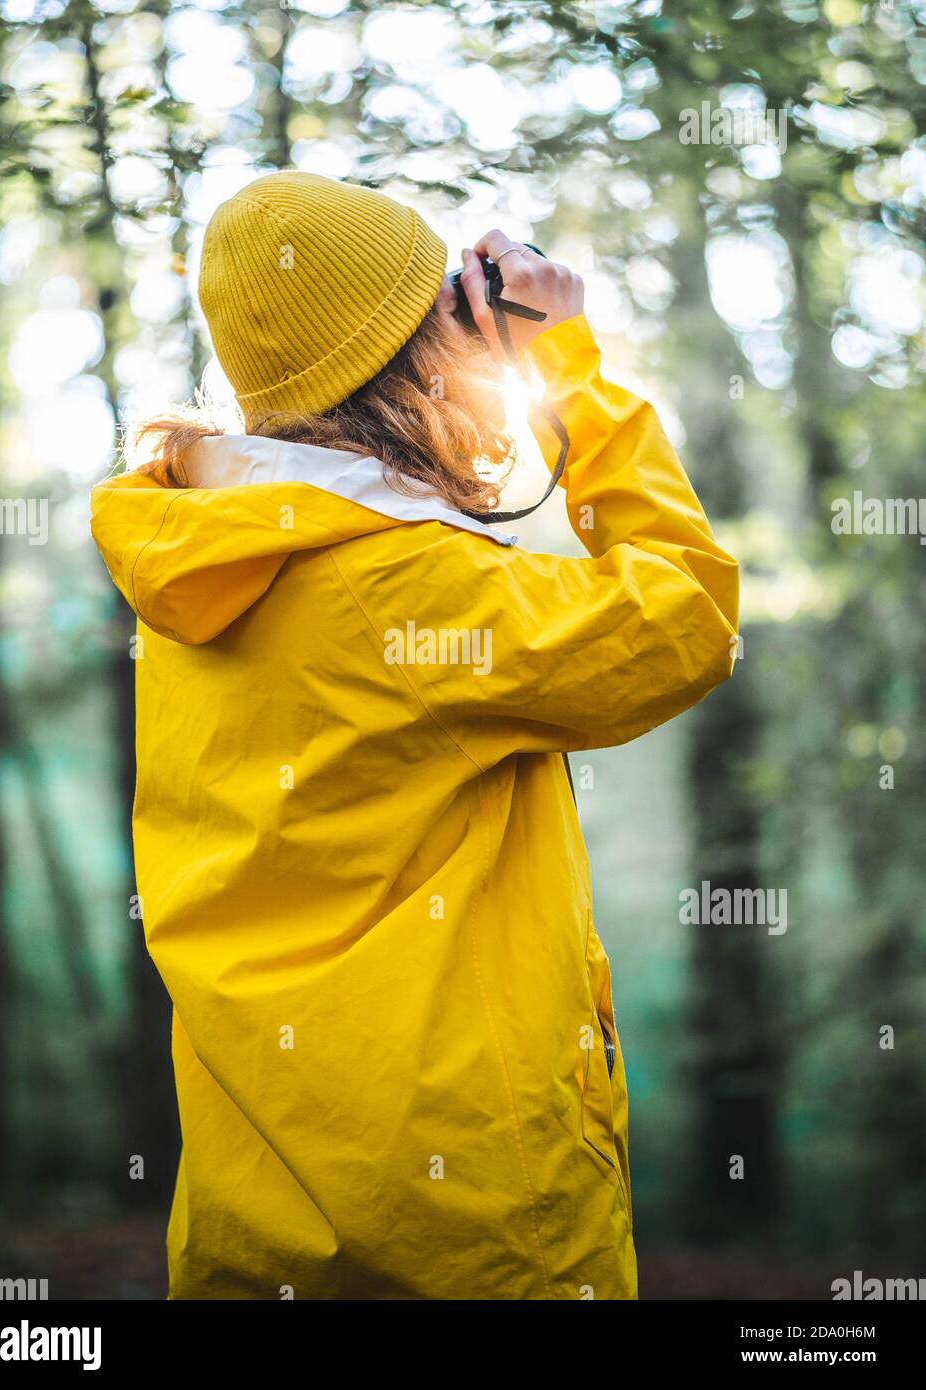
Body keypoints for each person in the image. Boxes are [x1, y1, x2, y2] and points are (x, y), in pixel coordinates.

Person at [91, 171, 739, 1300]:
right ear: (412, 363)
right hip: (471, 1233)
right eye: (439, 307)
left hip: (248, 1227)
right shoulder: (411, 584)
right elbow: (687, 620)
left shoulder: (202, 556)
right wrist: (569, 369)